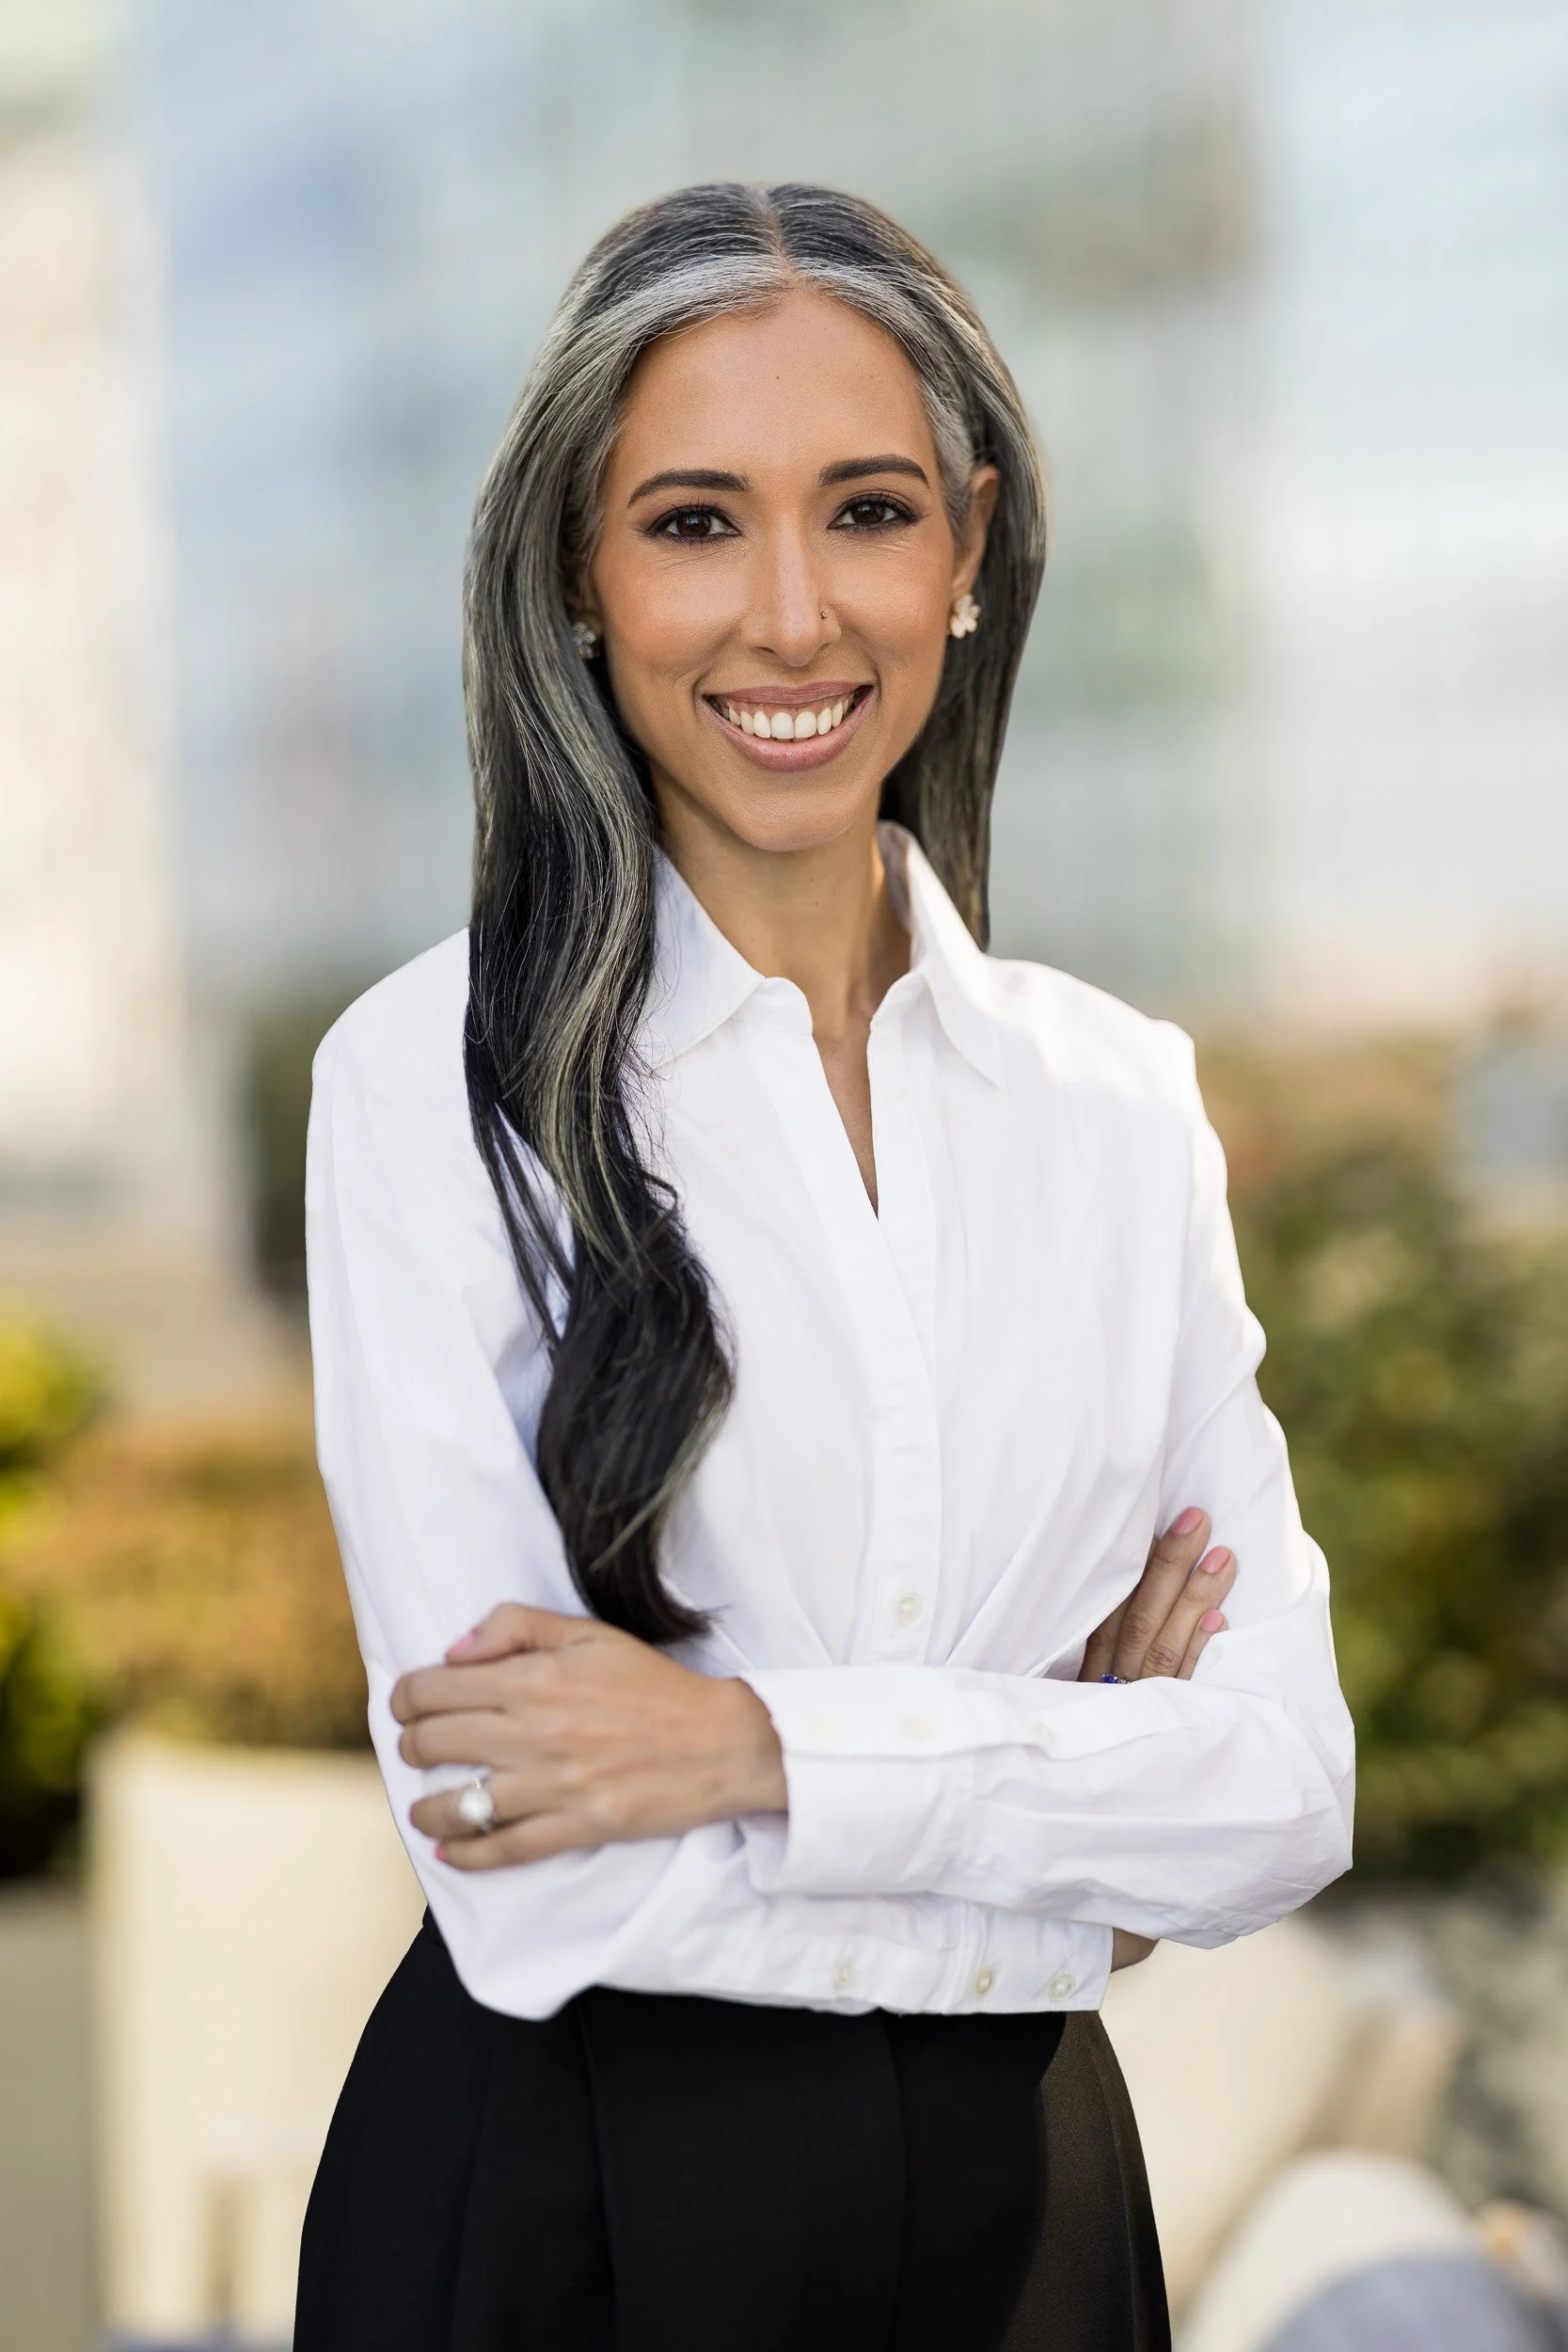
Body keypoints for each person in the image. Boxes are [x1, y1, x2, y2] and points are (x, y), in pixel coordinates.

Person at [295, 183, 1354, 2352]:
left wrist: (742, 1744)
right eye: (692, 521)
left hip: (1032, 2217)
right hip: (556, 2210)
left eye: (864, 508)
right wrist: (1055, 1819)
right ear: (577, 582)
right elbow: (535, 1870)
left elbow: (1272, 1788)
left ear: (961, 550)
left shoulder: (1116, 1105)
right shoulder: (429, 1082)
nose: (790, 612)